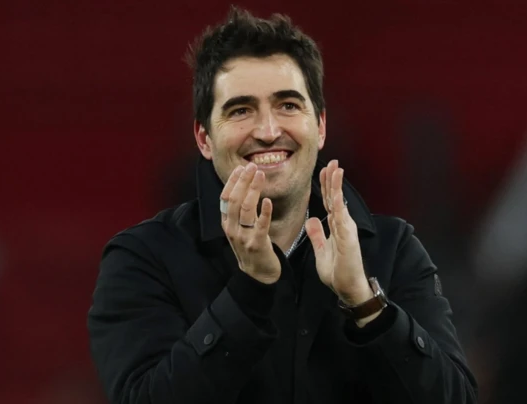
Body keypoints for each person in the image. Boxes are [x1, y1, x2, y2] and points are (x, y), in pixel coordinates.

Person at [87, 7, 477, 404]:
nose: (269, 131)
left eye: (288, 105)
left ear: (320, 126)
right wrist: (248, 292)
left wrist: (366, 304)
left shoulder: (393, 250)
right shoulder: (143, 260)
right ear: (203, 138)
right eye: (241, 110)